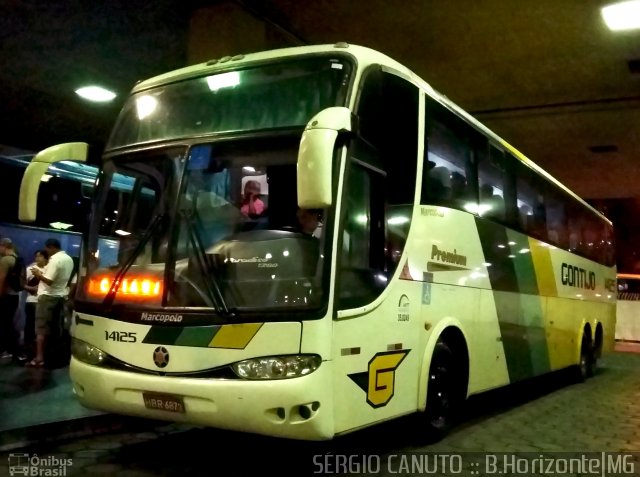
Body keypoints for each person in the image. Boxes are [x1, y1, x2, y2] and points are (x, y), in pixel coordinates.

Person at [27, 239, 74, 368]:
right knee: (54, 328)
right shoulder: (69, 259)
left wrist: (37, 274)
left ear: (52, 247)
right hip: (60, 296)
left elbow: (49, 281)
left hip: (48, 297)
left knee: (41, 329)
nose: (46, 252)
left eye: (47, 249)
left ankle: (39, 358)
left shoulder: (55, 260)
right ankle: (51, 356)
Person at [22, 250, 49, 360]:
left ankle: (39, 352)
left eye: (40, 256)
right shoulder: (29, 269)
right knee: (30, 327)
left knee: (41, 329)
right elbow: (22, 284)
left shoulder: (48, 270)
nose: (38, 258)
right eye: (36, 256)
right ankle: (27, 351)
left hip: (44, 301)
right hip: (32, 301)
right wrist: (31, 288)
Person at [0, 237, 22, 360]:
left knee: (4, 324)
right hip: (15, 296)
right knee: (9, 322)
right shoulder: (18, 259)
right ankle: (13, 350)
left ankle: (6, 349)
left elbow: (1, 279)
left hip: (5, 296)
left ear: (4, 246)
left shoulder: (5, 260)